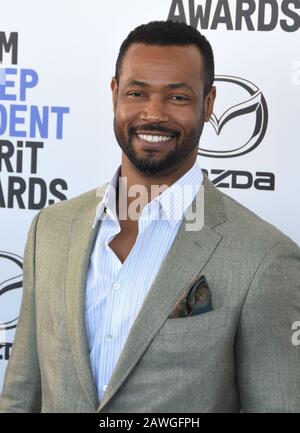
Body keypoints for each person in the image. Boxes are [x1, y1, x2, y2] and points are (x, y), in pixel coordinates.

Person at [0, 20, 299, 413]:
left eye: (177, 97)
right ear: (114, 94)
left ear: (208, 104)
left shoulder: (264, 257)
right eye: (137, 92)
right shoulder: (51, 229)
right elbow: (21, 395)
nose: (153, 114)